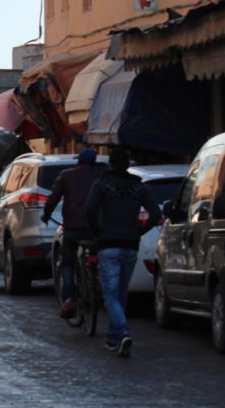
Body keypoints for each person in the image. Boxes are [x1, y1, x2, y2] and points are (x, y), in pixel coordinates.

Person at [84, 146, 161, 359]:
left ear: (110, 163)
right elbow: (155, 213)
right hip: (130, 245)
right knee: (121, 293)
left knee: (109, 293)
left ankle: (123, 331)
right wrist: (139, 231)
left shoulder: (101, 185)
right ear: (127, 164)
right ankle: (113, 337)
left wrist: (97, 230)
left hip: (108, 243)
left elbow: (89, 210)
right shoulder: (138, 188)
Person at [41, 147, 101, 319]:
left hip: (72, 228)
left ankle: (69, 299)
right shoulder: (99, 177)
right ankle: (95, 283)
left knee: (68, 262)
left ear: (79, 161)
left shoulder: (66, 175)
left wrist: (46, 215)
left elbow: (53, 199)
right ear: (94, 162)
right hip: (92, 230)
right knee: (97, 258)